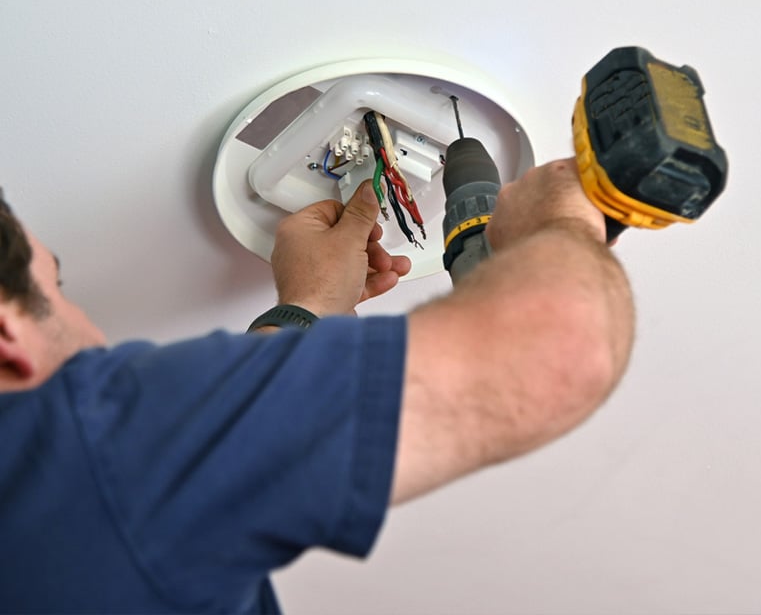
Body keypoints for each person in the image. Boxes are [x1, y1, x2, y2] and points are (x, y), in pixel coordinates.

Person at [0, 159, 634, 614]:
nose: (86, 322)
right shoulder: (88, 448)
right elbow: (552, 351)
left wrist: (307, 308)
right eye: (58, 291)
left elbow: (206, 459)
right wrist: (561, 222)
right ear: (7, 335)